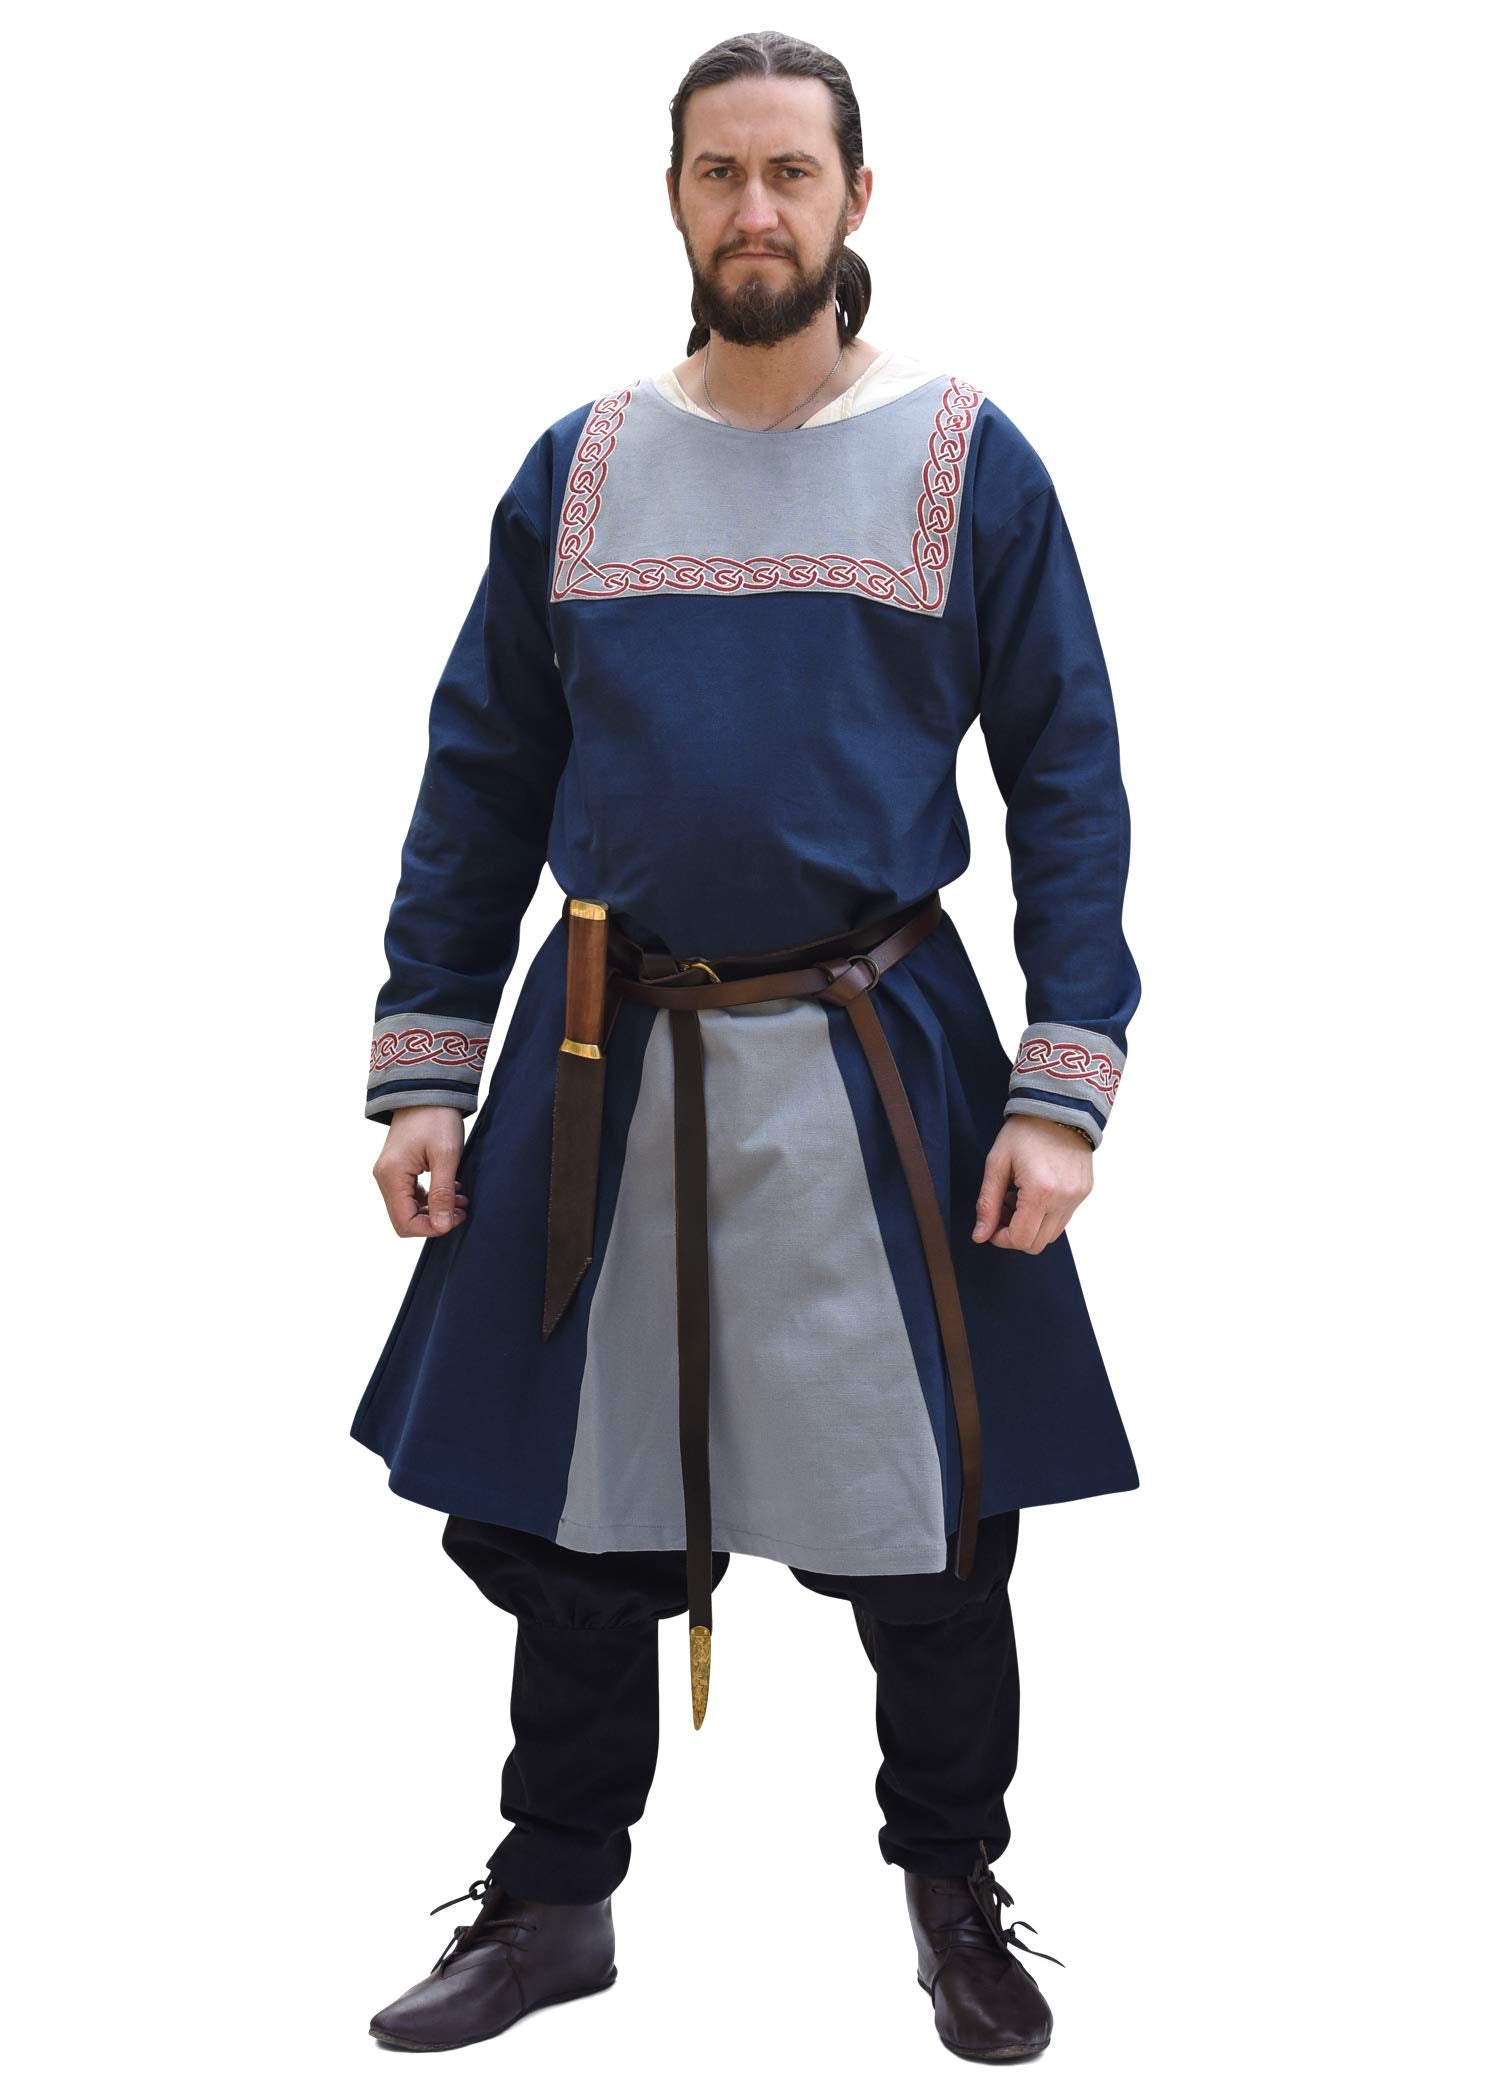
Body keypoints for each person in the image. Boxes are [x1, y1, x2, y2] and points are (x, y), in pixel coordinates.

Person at [353, 29, 1141, 2067]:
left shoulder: (966, 458)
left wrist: (1064, 1082)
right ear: (676, 198)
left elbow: (1067, 774)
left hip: (882, 1057)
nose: (757, 208)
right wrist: (428, 1060)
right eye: (722, 173)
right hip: (607, 1058)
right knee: (581, 1504)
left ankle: (953, 1891)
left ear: (856, 195)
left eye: (793, 171)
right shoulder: (582, 465)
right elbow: (481, 775)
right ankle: (556, 1898)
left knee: (935, 1521)